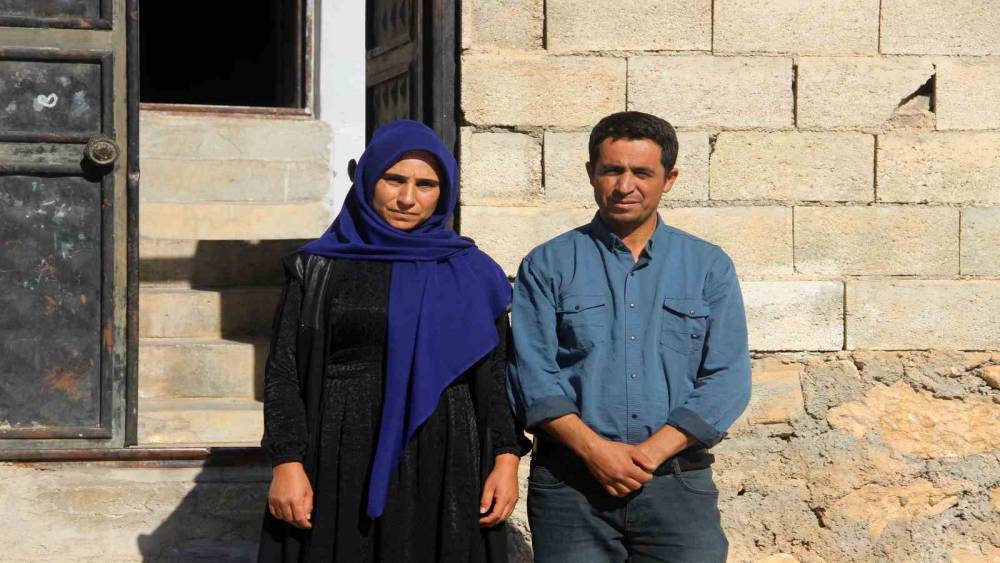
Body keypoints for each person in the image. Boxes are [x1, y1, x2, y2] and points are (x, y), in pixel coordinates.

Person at [258, 120, 528, 563]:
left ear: (444, 191)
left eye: (426, 185)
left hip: (447, 457)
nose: (407, 198)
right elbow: (284, 373)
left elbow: (497, 375)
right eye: (394, 179)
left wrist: (506, 457)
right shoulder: (318, 268)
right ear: (368, 179)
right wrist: (287, 461)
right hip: (342, 451)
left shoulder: (475, 272)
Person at [507, 111, 751, 563]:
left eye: (642, 172)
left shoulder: (708, 266)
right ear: (590, 173)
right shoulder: (547, 265)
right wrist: (596, 452)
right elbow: (531, 375)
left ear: (669, 179)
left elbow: (727, 378)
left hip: (677, 484)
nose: (625, 186)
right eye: (612, 170)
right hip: (571, 490)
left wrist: (649, 455)